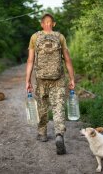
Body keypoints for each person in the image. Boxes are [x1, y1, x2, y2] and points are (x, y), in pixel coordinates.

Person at [25, 13, 75, 155]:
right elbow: (67, 59)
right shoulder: (60, 37)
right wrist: (72, 79)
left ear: (42, 24)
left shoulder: (35, 37)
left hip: (41, 79)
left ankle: (42, 133)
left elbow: (30, 60)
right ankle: (59, 134)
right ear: (53, 24)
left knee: (42, 106)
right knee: (58, 106)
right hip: (58, 78)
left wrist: (27, 80)